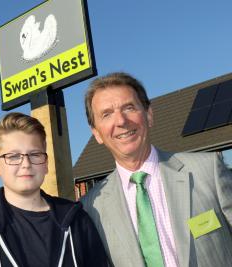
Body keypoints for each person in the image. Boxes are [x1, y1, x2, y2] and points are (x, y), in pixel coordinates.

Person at [81, 72, 232, 267]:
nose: (120, 121)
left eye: (129, 107)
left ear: (149, 115)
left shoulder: (207, 170)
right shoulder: (91, 208)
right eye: (107, 114)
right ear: (97, 134)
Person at [0, 112, 108, 267]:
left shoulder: (76, 220)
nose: (26, 163)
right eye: (13, 156)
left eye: (35, 155)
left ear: (46, 164)